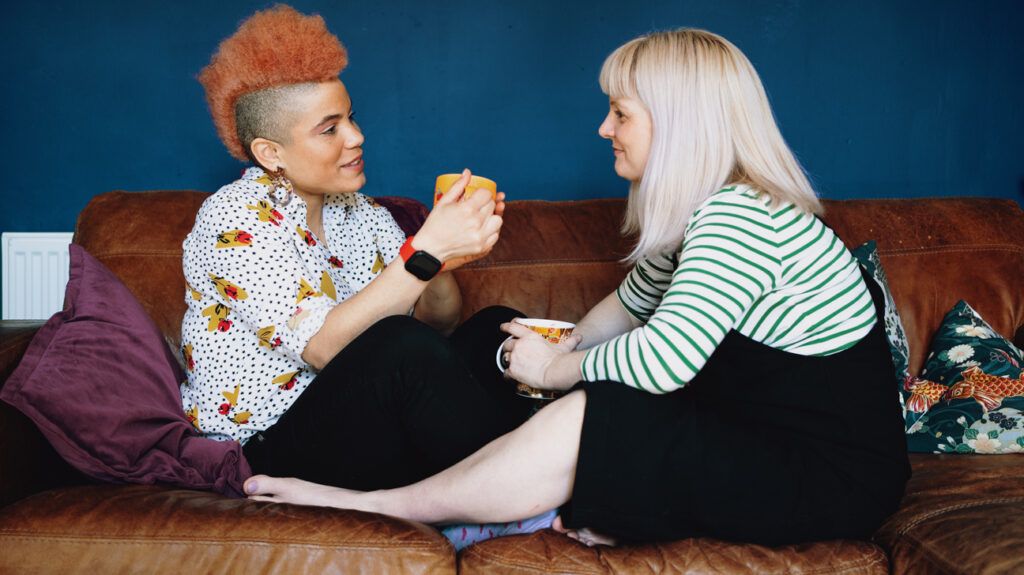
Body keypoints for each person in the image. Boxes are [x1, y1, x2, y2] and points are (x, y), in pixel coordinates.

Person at [243, 28, 911, 547]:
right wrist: (551, 342)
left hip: (823, 473)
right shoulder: (700, 215)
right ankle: (518, 485)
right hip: (751, 433)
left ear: (677, 126)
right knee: (498, 326)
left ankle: (385, 503)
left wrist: (558, 367)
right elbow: (628, 307)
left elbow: (662, 361)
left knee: (595, 410)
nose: (603, 128)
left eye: (620, 113)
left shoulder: (738, 217)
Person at [182, 5, 537, 499]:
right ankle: (522, 489)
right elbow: (328, 348)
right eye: (329, 129)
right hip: (270, 446)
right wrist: (423, 253)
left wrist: (438, 260)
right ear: (271, 153)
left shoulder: (361, 213)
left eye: (351, 117)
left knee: (496, 327)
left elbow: (441, 322)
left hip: (362, 423)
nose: (356, 137)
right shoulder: (233, 220)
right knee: (397, 344)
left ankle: (536, 464)